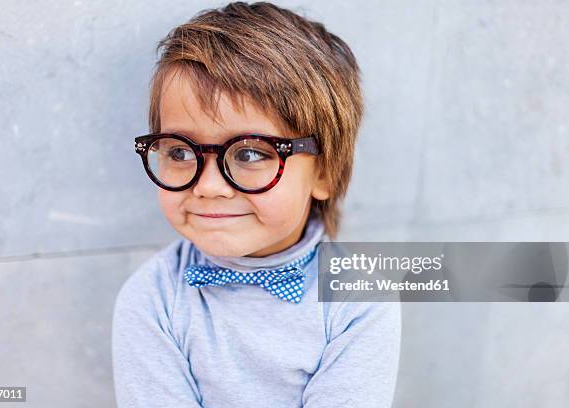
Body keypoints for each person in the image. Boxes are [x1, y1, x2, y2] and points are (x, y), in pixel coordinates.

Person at [112, 2, 401, 407]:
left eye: (250, 154)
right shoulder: (151, 299)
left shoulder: (360, 296)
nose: (209, 186)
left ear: (325, 174)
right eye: (179, 152)